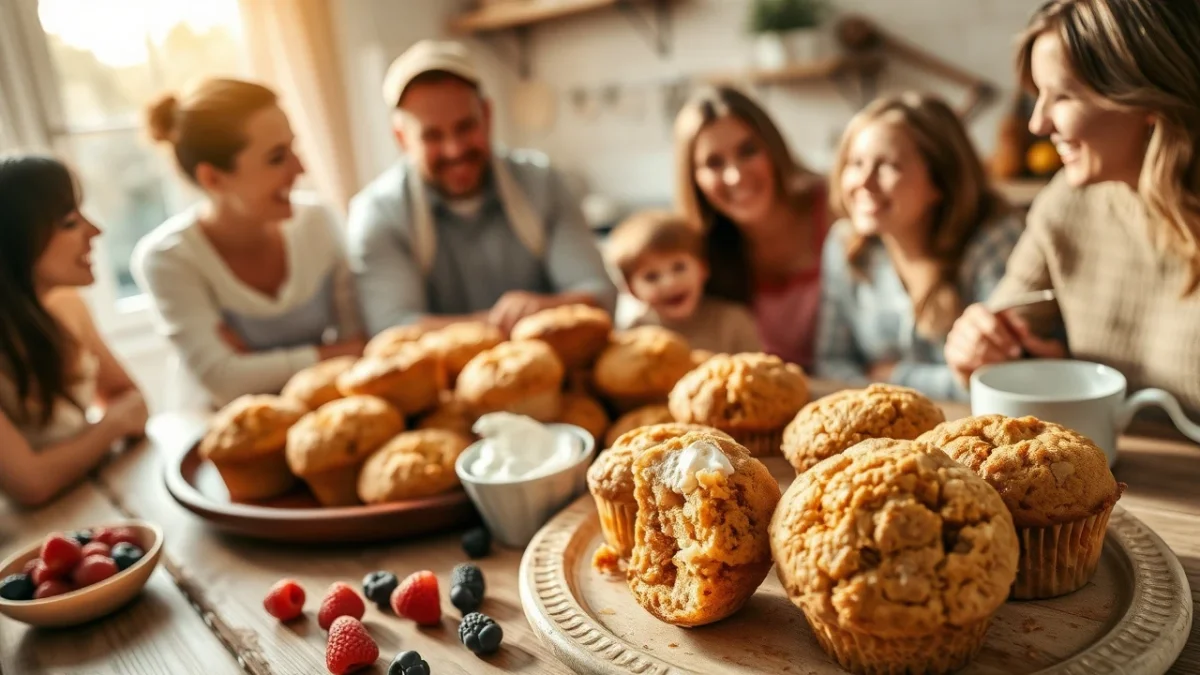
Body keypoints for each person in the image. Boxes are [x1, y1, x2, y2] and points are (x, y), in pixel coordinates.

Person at [944, 0, 1200, 417]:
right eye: (1038, 96)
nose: (1038, 124)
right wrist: (981, 347)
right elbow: (1002, 340)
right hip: (1108, 458)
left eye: (1062, 96)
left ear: (1151, 99)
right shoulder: (1066, 201)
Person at [347, 40, 617, 337]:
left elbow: (600, 295)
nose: (454, 149)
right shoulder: (379, 214)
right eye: (432, 136)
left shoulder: (543, 184)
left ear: (487, 115)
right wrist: (510, 322)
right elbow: (392, 327)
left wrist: (540, 309)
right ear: (401, 138)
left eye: (465, 127)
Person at [133, 78, 364, 408]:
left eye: (294, 148)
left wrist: (255, 364)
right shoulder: (168, 258)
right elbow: (225, 383)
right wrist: (333, 354)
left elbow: (361, 344)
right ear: (212, 178)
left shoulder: (318, 221)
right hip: (217, 427)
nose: (300, 168)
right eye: (277, 157)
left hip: (318, 412)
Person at [815, 93, 1024, 400]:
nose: (864, 182)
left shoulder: (993, 242)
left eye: (888, 165)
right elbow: (830, 362)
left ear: (940, 181)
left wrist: (893, 377)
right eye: (856, 163)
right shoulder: (844, 244)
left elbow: (1004, 379)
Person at [0, 155, 149, 507]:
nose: (96, 231)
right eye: (69, 222)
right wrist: (111, 426)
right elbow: (31, 485)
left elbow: (135, 403)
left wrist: (77, 451)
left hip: (92, 497)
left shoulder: (69, 307)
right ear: (15, 241)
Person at [675, 85, 828, 369]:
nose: (735, 176)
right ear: (694, 179)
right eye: (714, 163)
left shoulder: (834, 208)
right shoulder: (696, 256)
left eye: (748, 151)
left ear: (773, 148)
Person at [605, 210, 762, 354]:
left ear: (702, 268)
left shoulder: (733, 322)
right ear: (631, 289)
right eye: (651, 277)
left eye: (679, 267)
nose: (670, 282)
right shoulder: (631, 336)